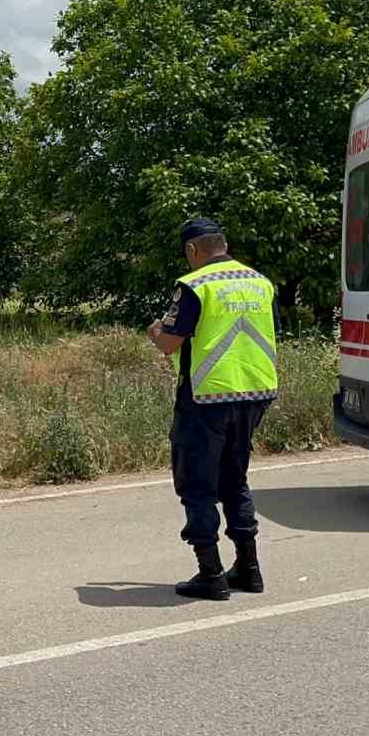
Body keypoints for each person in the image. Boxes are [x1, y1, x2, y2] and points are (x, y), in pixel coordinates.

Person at [148, 218, 281, 601]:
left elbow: (169, 344)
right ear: (223, 244)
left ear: (193, 250)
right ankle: (249, 569)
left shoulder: (195, 285)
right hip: (255, 393)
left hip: (206, 397)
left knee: (197, 483)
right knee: (234, 479)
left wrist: (155, 331)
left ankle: (210, 573)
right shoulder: (261, 282)